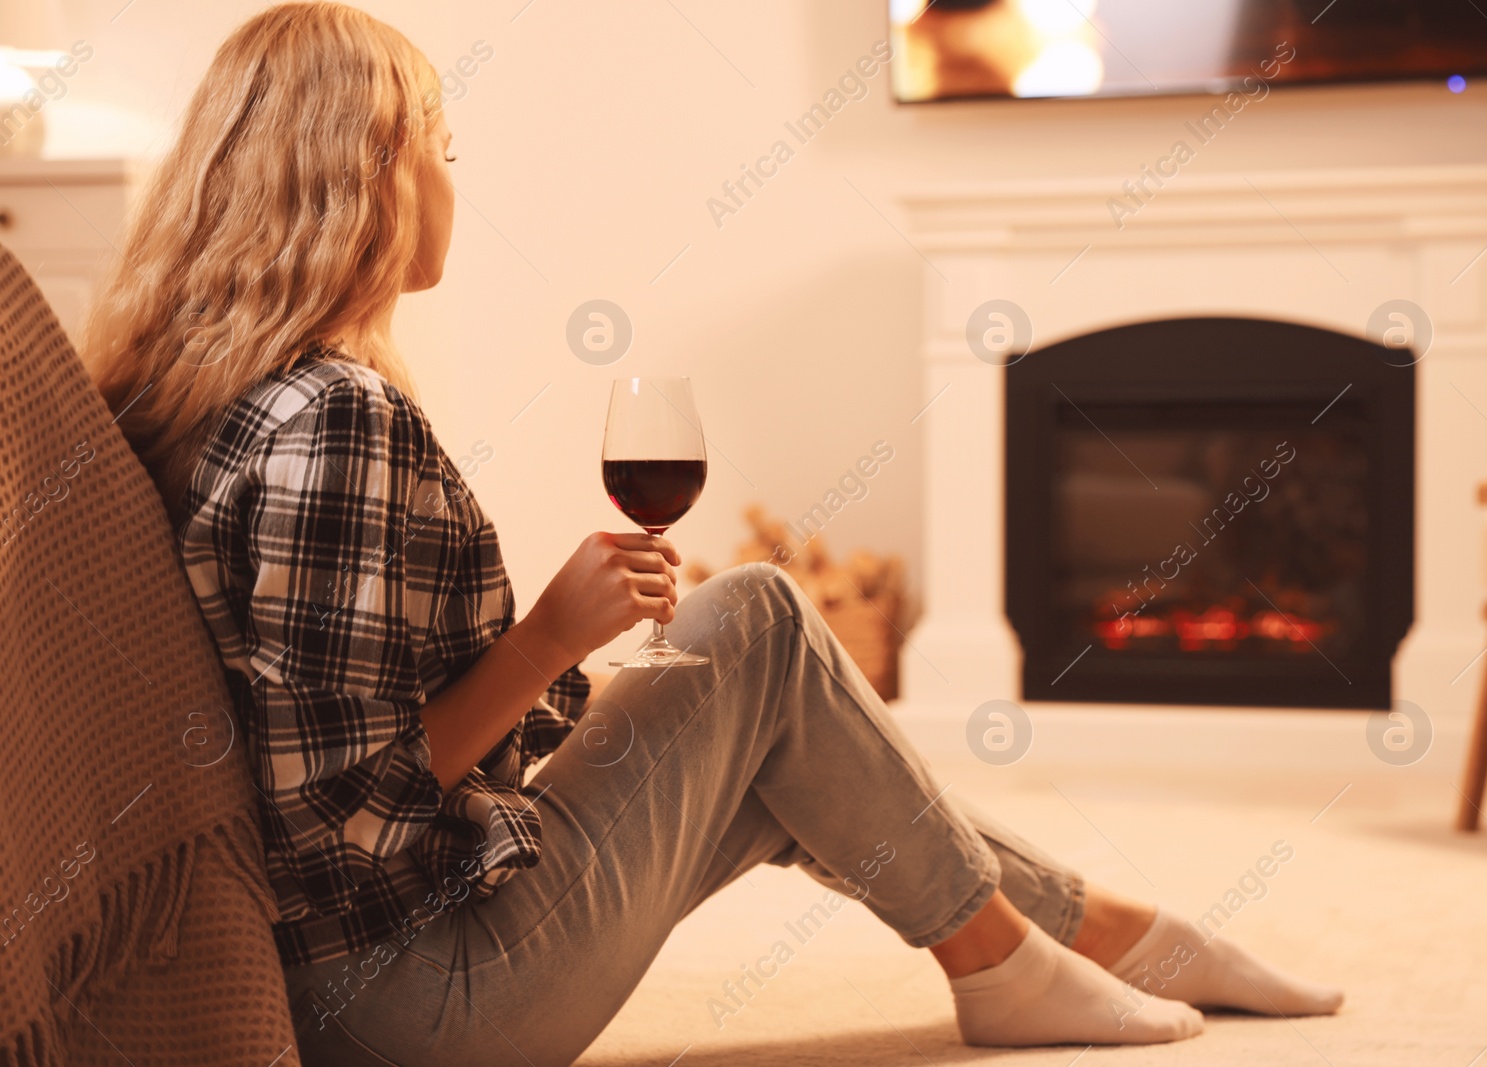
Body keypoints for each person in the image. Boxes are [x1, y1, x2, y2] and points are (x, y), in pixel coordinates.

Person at [84, 5, 1342, 1064]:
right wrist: (546, 642)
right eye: (445, 150)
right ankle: (1012, 960)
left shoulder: (221, 397)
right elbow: (338, 813)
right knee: (760, 615)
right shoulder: (337, 421)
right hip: (411, 999)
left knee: (790, 734)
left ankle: (1102, 928)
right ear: (368, 173)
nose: (455, 184)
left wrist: (579, 681)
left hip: (370, 964)